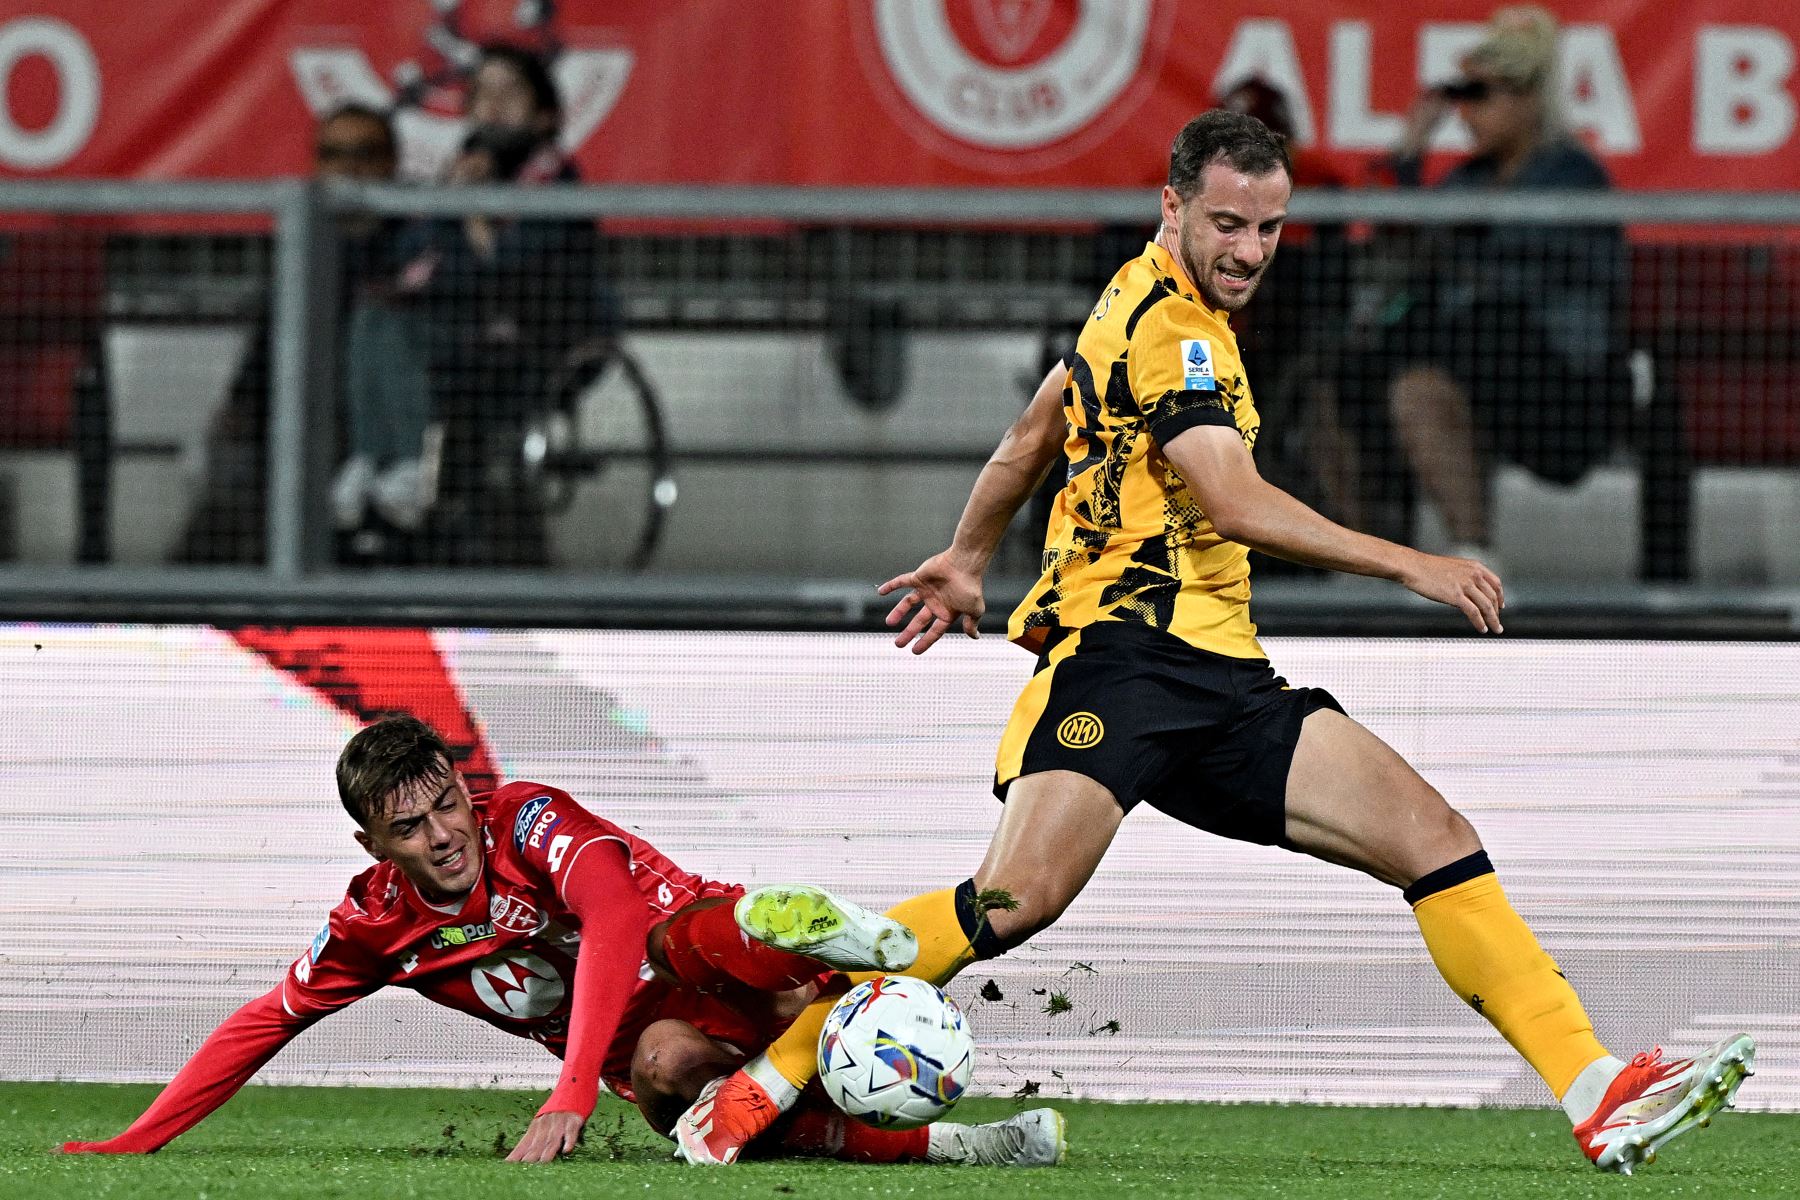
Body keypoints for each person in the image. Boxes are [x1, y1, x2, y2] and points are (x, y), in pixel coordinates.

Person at [669, 110, 1755, 1176]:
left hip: (1226, 679)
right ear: (1173, 204)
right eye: (1228, 224)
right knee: (1012, 901)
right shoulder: (1177, 333)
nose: (1248, 252)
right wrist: (1412, 562)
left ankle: (1592, 1090)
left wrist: (966, 555)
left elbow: (1032, 429)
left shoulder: (1134, 299)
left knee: (1434, 835)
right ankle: (771, 1071)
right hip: (1123, 664)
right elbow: (1232, 501)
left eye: (1270, 229)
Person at [61, 715, 1064, 1168]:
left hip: (711, 953)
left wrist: (571, 1088)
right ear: (373, 844)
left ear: (464, 786)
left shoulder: (527, 817)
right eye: (410, 829)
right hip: (648, 1042)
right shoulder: (374, 928)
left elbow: (617, 917)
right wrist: (137, 1140)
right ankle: (959, 1143)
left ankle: (806, 942)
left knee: (680, 940)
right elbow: (262, 1024)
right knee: (676, 1080)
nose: (444, 835)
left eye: (446, 805)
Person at [1335, 5, 1631, 558]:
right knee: (1350, 376)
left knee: (1461, 337)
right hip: (1472, 362)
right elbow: (1405, 238)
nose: (1465, 114)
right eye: (1460, 97)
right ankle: (1384, 560)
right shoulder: (1468, 178)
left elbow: (1508, 270)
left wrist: (1455, 254)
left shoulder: (1571, 174)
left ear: (1526, 101)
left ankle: (1468, 565)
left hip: (1558, 383)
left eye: (1480, 96)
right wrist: (1409, 153)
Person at [176, 103, 409, 565]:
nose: (350, 167)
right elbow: (267, 346)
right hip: (295, 417)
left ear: (391, 163)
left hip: (380, 422)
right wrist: (239, 406)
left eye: (365, 152)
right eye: (333, 153)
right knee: (231, 472)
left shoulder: (417, 241)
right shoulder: (305, 241)